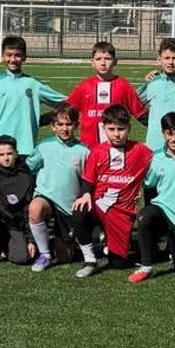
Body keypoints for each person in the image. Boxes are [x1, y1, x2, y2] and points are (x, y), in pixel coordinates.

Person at [72, 105, 153, 277]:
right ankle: (90, 260)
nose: (117, 134)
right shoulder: (97, 151)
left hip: (122, 212)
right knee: (79, 211)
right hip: (98, 205)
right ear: (104, 128)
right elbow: (88, 179)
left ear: (129, 128)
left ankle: (108, 240)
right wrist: (85, 194)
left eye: (121, 129)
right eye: (112, 129)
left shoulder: (141, 151)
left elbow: (164, 157)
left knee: (119, 264)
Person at [0, 35, 65, 154]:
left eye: (17, 55)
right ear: (3, 56)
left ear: (24, 57)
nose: (13, 59)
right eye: (9, 55)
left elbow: (67, 103)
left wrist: (47, 118)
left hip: (26, 149)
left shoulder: (34, 84)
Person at [129, 112, 175, 283]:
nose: (174, 139)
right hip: (164, 211)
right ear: (163, 133)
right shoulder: (156, 158)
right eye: (169, 133)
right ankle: (146, 266)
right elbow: (148, 184)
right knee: (146, 216)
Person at [25, 105, 90, 272]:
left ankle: (64, 241)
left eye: (68, 124)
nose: (64, 129)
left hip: (68, 206)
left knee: (66, 257)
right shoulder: (43, 146)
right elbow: (30, 167)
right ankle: (45, 255)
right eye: (60, 124)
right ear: (53, 126)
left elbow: (89, 179)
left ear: (76, 125)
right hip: (46, 198)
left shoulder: (84, 150)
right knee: (35, 207)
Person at [66, 42, 147, 148]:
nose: (103, 63)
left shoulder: (123, 85)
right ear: (92, 62)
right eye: (98, 59)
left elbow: (140, 114)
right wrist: (46, 119)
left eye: (107, 59)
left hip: (117, 147)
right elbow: (66, 111)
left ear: (115, 62)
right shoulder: (85, 86)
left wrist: (162, 127)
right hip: (88, 146)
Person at [0, 136, 36, 268]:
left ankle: (4, 248)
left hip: (14, 223)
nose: (6, 158)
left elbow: (27, 210)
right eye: (1, 154)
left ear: (16, 153)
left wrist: (30, 240)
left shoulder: (25, 177)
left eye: (9, 153)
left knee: (22, 258)